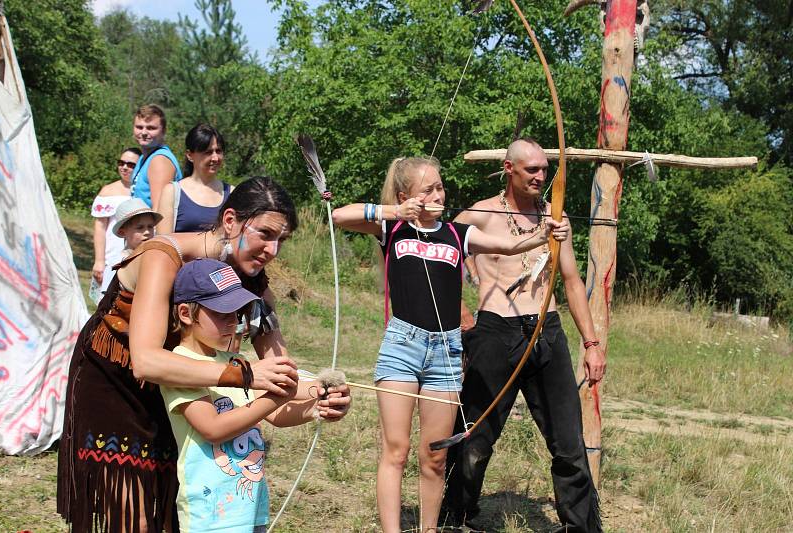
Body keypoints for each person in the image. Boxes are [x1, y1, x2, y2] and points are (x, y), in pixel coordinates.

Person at [57, 176, 352, 533]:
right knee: (134, 516)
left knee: (171, 512)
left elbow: (278, 377)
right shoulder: (163, 256)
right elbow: (147, 361)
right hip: (116, 387)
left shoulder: (251, 281)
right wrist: (243, 375)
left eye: (281, 240)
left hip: (185, 385)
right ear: (230, 221)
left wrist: (319, 398)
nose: (273, 250)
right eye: (265, 234)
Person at [331, 156, 568, 533]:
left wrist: (543, 236)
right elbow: (339, 215)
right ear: (408, 195)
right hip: (402, 346)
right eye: (429, 189)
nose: (439, 194)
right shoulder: (392, 229)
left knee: (435, 456)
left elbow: (507, 246)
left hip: (445, 350)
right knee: (396, 450)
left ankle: (428, 529)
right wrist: (395, 210)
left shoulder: (458, 233)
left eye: (441, 186)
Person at [443, 138, 606, 532]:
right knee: (475, 436)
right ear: (508, 169)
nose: (540, 176)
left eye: (545, 170)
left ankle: (580, 526)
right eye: (531, 169)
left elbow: (570, 280)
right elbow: (438, 256)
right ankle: (455, 516)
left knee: (568, 441)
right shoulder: (481, 214)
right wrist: (463, 314)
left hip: (546, 332)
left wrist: (591, 343)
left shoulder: (555, 218)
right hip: (494, 333)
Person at [163, 258, 338, 533]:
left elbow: (276, 414)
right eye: (221, 314)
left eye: (237, 313)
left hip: (250, 504)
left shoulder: (235, 360)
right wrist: (275, 397)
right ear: (186, 314)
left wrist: (321, 400)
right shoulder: (181, 366)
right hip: (210, 513)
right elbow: (212, 428)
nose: (233, 322)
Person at [156, 124, 231, 234]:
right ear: (190, 155)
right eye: (208, 152)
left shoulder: (231, 193)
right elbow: (163, 244)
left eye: (218, 151)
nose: (215, 158)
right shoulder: (172, 192)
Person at [90, 147, 141, 303]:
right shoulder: (108, 191)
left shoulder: (144, 192)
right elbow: (100, 227)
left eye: (131, 164)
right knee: (106, 303)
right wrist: (99, 261)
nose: (125, 167)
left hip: (138, 255)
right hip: (112, 256)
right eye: (121, 163)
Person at [130, 104, 183, 208]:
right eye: (139, 127)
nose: (144, 132)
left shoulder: (160, 161)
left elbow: (160, 210)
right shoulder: (143, 158)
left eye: (151, 128)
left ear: (163, 131)